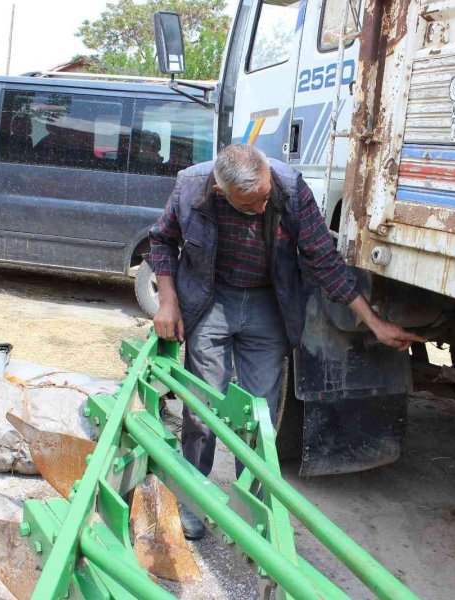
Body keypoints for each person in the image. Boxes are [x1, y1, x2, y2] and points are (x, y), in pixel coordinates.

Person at [145, 144, 423, 539]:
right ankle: (192, 498)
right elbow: (161, 241)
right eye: (251, 204)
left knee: (259, 413)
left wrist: (374, 323)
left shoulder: (288, 188)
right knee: (201, 407)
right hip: (210, 301)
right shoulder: (192, 188)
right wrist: (168, 303)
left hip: (266, 304)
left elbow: (323, 260)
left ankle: (251, 505)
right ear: (223, 192)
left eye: (264, 197)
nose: (262, 208)